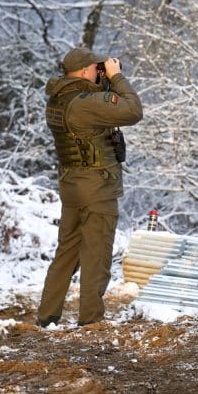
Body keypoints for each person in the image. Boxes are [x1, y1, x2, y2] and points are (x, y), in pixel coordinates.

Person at [37, 46, 143, 327]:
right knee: (96, 254)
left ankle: (47, 317)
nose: (100, 71)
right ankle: (91, 321)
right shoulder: (85, 104)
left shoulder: (59, 99)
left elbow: (97, 108)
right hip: (97, 187)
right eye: (97, 68)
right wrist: (116, 77)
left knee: (66, 253)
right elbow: (133, 111)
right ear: (85, 70)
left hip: (72, 186)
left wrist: (103, 83)